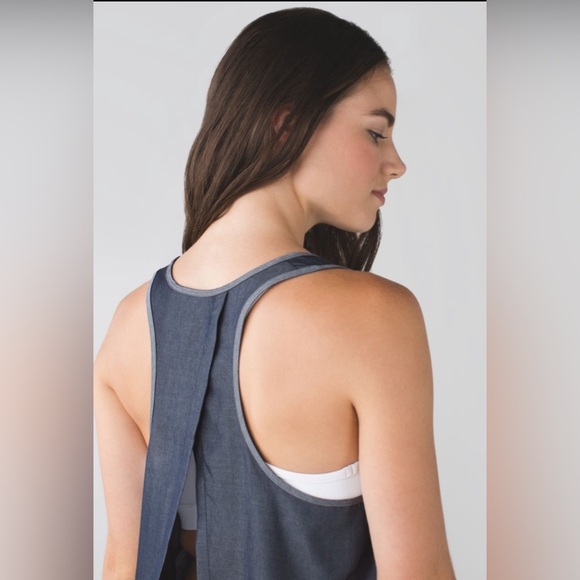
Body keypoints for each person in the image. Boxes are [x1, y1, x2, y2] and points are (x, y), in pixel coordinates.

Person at [95, 7, 456, 579]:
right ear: (287, 124)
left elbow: (123, 562)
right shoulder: (374, 318)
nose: (397, 163)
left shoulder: (128, 325)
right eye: (376, 131)